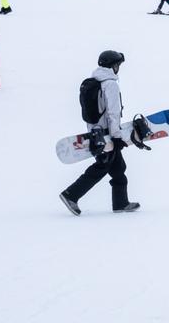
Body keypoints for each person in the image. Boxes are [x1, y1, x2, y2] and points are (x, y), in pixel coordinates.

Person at [60, 50, 143, 215]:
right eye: (117, 65)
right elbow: (113, 114)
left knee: (118, 168)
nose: (118, 68)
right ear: (112, 66)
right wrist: (117, 137)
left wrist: (94, 133)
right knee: (102, 167)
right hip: (108, 135)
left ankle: (121, 203)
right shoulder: (110, 84)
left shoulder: (94, 82)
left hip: (96, 134)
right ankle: (71, 195)